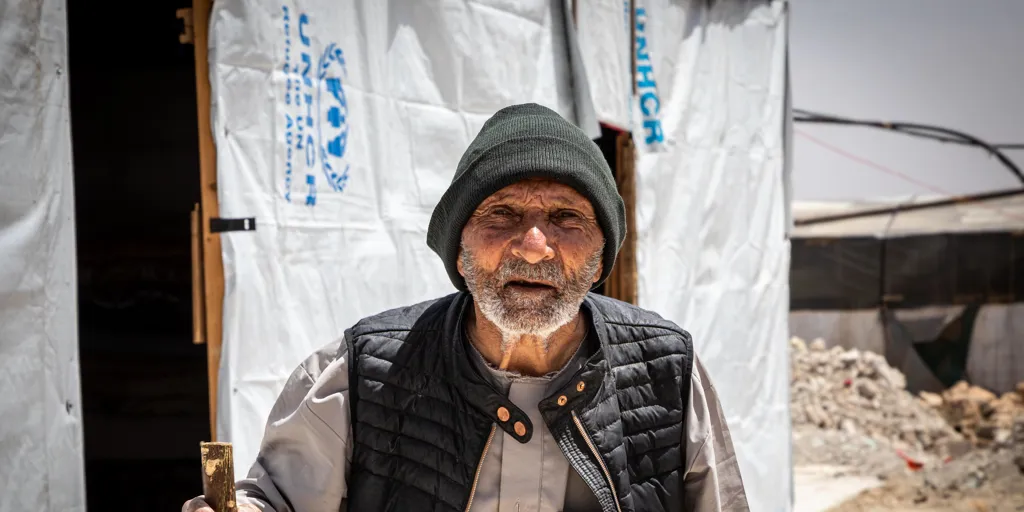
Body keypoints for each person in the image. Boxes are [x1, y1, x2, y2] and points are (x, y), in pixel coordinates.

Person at [183, 103, 749, 512]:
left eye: (565, 219)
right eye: (500, 215)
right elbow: (277, 501)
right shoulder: (361, 371)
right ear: (458, 248)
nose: (533, 246)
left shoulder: (667, 368)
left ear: (602, 258)